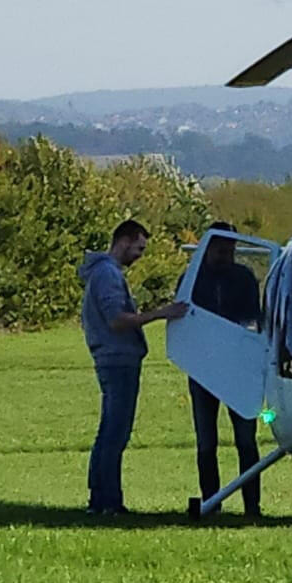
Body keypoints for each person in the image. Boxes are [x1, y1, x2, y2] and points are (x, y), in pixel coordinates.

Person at [78, 219, 186, 516]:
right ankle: (108, 501)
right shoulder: (107, 275)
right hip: (117, 359)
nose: (140, 255)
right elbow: (117, 319)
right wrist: (162, 313)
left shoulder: (102, 273)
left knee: (109, 430)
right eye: (139, 247)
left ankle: (99, 498)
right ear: (123, 241)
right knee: (116, 432)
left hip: (113, 358)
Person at [188, 221, 263, 517]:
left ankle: (252, 506)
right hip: (202, 370)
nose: (225, 254)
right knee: (206, 442)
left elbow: (253, 319)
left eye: (230, 247)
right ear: (208, 247)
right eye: (220, 248)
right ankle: (211, 503)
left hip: (239, 370)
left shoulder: (244, 278)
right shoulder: (193, 278)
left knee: (246, 441)